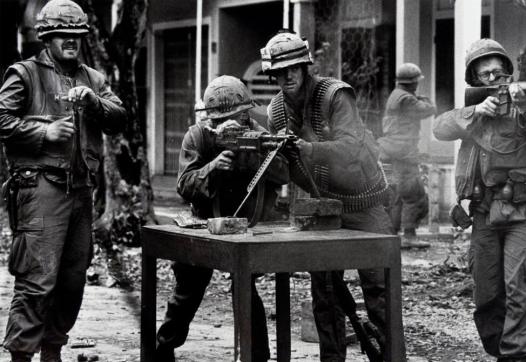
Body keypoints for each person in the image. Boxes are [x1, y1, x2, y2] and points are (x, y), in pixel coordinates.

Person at [261, 30, 406, 362]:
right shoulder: (276, 112)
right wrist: (272, 156)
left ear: (305, 67)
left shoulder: (335, 95)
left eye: (293, 69)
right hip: (322, 206)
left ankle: (391, 357)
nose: (286, 77)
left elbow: (352, 148)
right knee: (325, 294)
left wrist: (308, 149)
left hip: (364, 203)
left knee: (379, 289)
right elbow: (286, 173)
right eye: (279, 72)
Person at [0, 0, 127, 361]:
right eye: (62, 35)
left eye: (76, 35)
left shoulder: (94, 79)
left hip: (81, 193)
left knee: (73, 280)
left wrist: (94, 103)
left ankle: (52, 350)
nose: (71, 41)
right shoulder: (24, 74)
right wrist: (44, 131)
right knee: (37, 279)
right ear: (47, 37)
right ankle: (22, 354)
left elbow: (119, 118)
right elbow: (2, 120)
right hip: (40, 188)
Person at [155, 75, 288, 362]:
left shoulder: (259, 134)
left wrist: (252, 153)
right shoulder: (199, 135)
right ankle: (164, 347)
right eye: (220, 120)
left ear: (245, 115)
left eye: (236, 118)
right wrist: (213, 167)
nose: (228, 125)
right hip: (205, 224)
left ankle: (257, 357)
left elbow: (283, 173)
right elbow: (184, 185)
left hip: (248, 225)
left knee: (246, 290)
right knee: (187, 291)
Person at [434, 38, 526, 362]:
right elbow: (439, 128)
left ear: (508, 71)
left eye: (498, 72)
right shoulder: (475, 111)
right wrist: (475, 110)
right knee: (487, 294)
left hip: (524, 212)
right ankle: (500, 352)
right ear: (476, 81)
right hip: (483, 214)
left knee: (518, 289)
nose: (494, 80)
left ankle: (517, 356)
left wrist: (525, 106)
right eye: (485, 75)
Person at [378, 63, 436, 248]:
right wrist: (422, 97)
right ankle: (409, 236)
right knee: (414, 195)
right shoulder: (406, 99)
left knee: (398, 196)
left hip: (392, 152)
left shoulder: (397, 95)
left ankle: (393, 235)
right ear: (412, 82)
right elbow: (430, 109)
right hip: (403, 153)